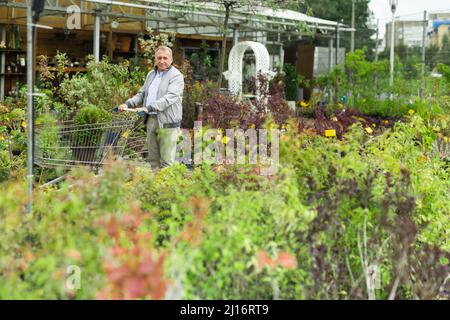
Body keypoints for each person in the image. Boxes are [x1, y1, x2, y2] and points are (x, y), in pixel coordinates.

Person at [118, 46, 184, 169]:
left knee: (167, 162)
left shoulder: (176, 76)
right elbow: (142, 94)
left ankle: (167, 188)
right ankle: (155, 187)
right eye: (159, 58)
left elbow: (169, 98)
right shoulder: (151, 74)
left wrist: (148, 108)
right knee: (153, 160)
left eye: (165, 58)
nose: (162, 61)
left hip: (167, 123)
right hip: (151, 121)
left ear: (171, 59)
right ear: (155, 59)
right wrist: (128, 104)